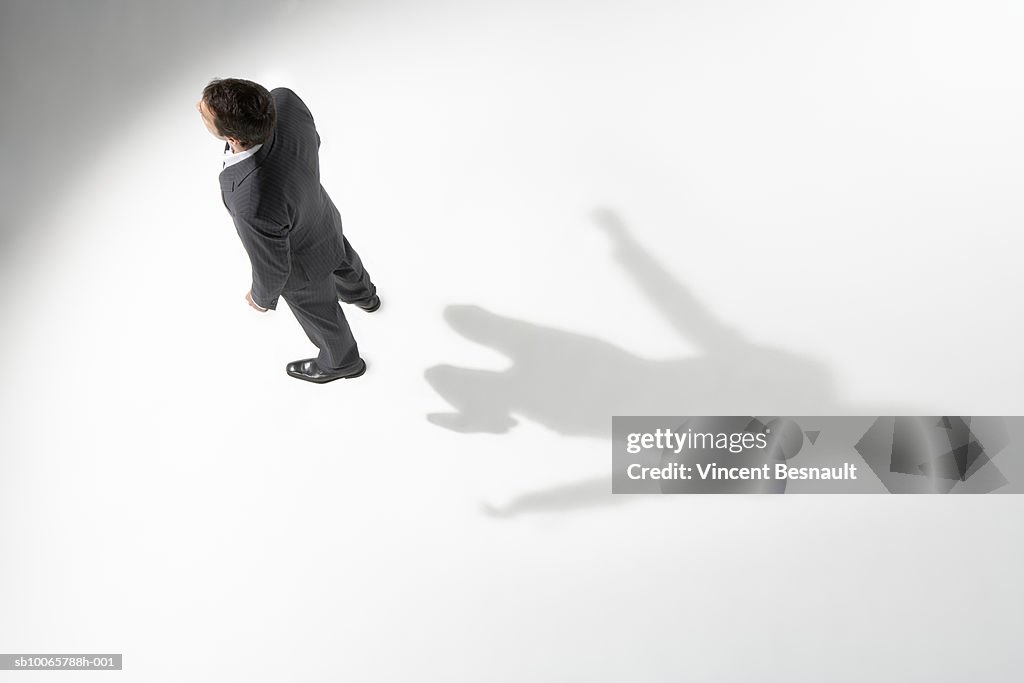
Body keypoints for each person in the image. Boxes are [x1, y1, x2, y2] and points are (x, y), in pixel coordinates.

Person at [196, 78, 380, 383]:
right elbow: (314, 141)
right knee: (344, 258)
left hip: (302, 268)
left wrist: (260, 298)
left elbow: (273, 265)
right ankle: (366, 297)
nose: (199, 112)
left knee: (322, 316)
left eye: (203, 114)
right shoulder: (286, 101)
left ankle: (342, 362)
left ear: (231, 137)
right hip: (321, 215)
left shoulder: (249, 198)